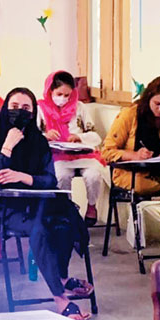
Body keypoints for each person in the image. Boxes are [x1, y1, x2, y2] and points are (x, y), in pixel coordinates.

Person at [0, 87, 93, 320]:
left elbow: (49, 179)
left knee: (64, 221)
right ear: (5, 108)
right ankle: (61, 299)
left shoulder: (38, 141)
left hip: (36, 203)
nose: (19, 112)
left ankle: (61, 277)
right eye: (14, 107)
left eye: (25, 108)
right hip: (4, 208)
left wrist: (23, 177)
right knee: (41, 227)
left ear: (33, 113)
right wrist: (7, 147)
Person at [102, 75, 160, 254]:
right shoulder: (130, 115)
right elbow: (107, 151)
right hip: (132, 175)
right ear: (148, 97)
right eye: (157, 103)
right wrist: (134, 155)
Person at [37, 71, 105, 225]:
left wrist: (79, 137)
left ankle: (92, 206)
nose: (63, 98)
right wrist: (46, 136)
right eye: (59, 94)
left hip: (83, 155)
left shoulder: (79, 107)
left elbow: (95, 136)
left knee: (93, 175)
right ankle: (67, 208)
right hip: (57, 156)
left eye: (67, 95)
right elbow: (33, 136)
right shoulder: (41, 109)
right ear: (50, 90)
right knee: (61, 176)